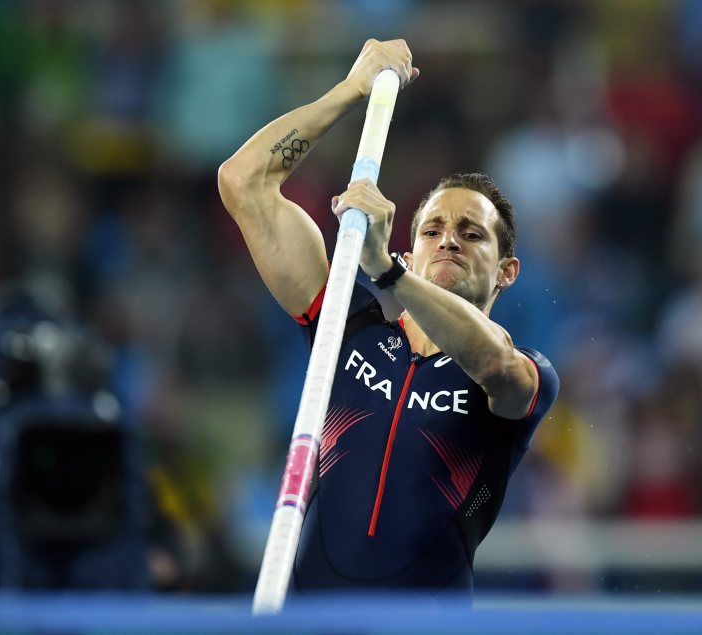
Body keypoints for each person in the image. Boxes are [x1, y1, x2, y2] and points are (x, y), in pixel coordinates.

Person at [217, 39, 558, 598]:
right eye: (432, 230)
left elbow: (495, 361)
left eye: (472, 235)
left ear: (507, 272)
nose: (449, 241)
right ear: (410, 248)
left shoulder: (521, 372)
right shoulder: (346, 327)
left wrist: (392, 276)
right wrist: (351, 89)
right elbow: (243, 183)